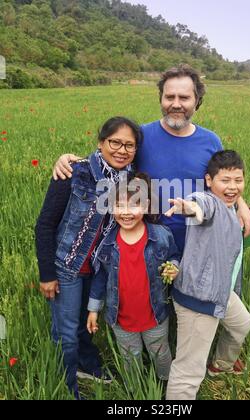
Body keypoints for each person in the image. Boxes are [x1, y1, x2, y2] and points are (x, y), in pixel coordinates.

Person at [52, 64, 250, 256]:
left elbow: (223, 178)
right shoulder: (142, 135)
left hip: (197, 243)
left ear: (197, 101)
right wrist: (71, 160)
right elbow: (107, 161)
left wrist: (240, 204)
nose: (176, 104)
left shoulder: (211, 141)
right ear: (161, 99)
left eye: (184, 97)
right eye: (169, 97)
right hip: (147, 245)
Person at [35, 117, 143, 399]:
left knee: (86, 325)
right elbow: (45, 224)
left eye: (129, 145)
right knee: (66, 333)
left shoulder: (132, 181)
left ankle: (87, 365)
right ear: (100, 142)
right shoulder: (74, 172)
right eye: (115, 142)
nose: (121, 150)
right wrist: (47, 274)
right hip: (67, 266)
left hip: (98, 268)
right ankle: (67, 388)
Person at [164, 150, 250, 400]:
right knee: (188, 369)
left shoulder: (229, 206)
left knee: (241, 324)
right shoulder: (208, 201)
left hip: (220, 290)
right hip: (199, 299)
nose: (233, 186)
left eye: (238, 180)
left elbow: (227, 226)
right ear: (209, 180)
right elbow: (200, 208)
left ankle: (221, 366)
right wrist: (186, 207)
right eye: (225, 180)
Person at [87, 173, 181, 380]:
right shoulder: (108, 243)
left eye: (134, 205)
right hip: (121, 319)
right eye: (120, 206)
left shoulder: (161, 236)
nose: (127, 212)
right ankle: (135, 387)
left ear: (147, 206)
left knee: (160, 352)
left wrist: (173, 268)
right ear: (111, 208)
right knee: (130, 356)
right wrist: (94, 309)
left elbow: (174, 256)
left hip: (155, 316)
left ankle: (166, 383)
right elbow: (101, 278)